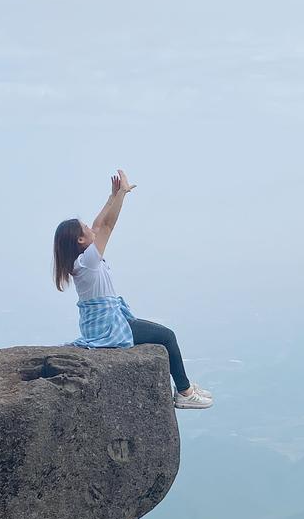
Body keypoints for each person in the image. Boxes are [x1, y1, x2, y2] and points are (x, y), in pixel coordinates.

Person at [52, 169, 213, 409]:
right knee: (167, 336)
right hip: (108, 327)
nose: (90, 227)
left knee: (161, 336)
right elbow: (106, 226)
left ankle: (185, 387)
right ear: (80, 241)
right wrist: (123, 195)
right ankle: (185, 392)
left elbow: (99, 224)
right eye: (84, 227)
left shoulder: (82, 260)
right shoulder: (88, 261)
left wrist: (113, 196)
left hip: (103, 321)